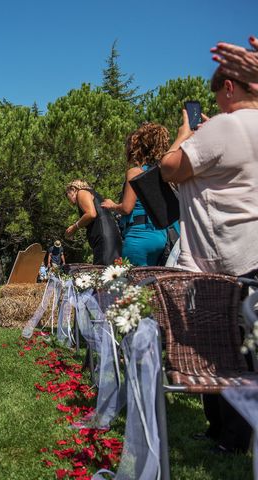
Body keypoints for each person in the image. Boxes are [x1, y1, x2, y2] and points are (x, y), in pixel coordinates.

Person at [160, 66, 258, 454]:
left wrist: (185, 133)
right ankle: (227, 432)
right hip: (251, 252)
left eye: (218, 96)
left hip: (223, 258)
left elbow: (170, 168)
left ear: (229, 88)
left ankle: (232, 437)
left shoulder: (227, 125)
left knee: (220, 349)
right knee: (244, 345)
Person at [101, 123, 173, 266]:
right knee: (152, 285)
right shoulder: (162, 172)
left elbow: (127, 208)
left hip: (138, 236)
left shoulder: (135, 172)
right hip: (161, 237)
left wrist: (112, 205)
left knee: (133, 286)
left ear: (136, 148)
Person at [64, 180, 122, 265]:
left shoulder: (81, 192)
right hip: (110, 235)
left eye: (67, 194)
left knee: (103, 271)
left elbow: (91, 214)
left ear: (73, 189)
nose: (68, 200)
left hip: (103, 237)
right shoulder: (93, 194)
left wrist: (74, 227)